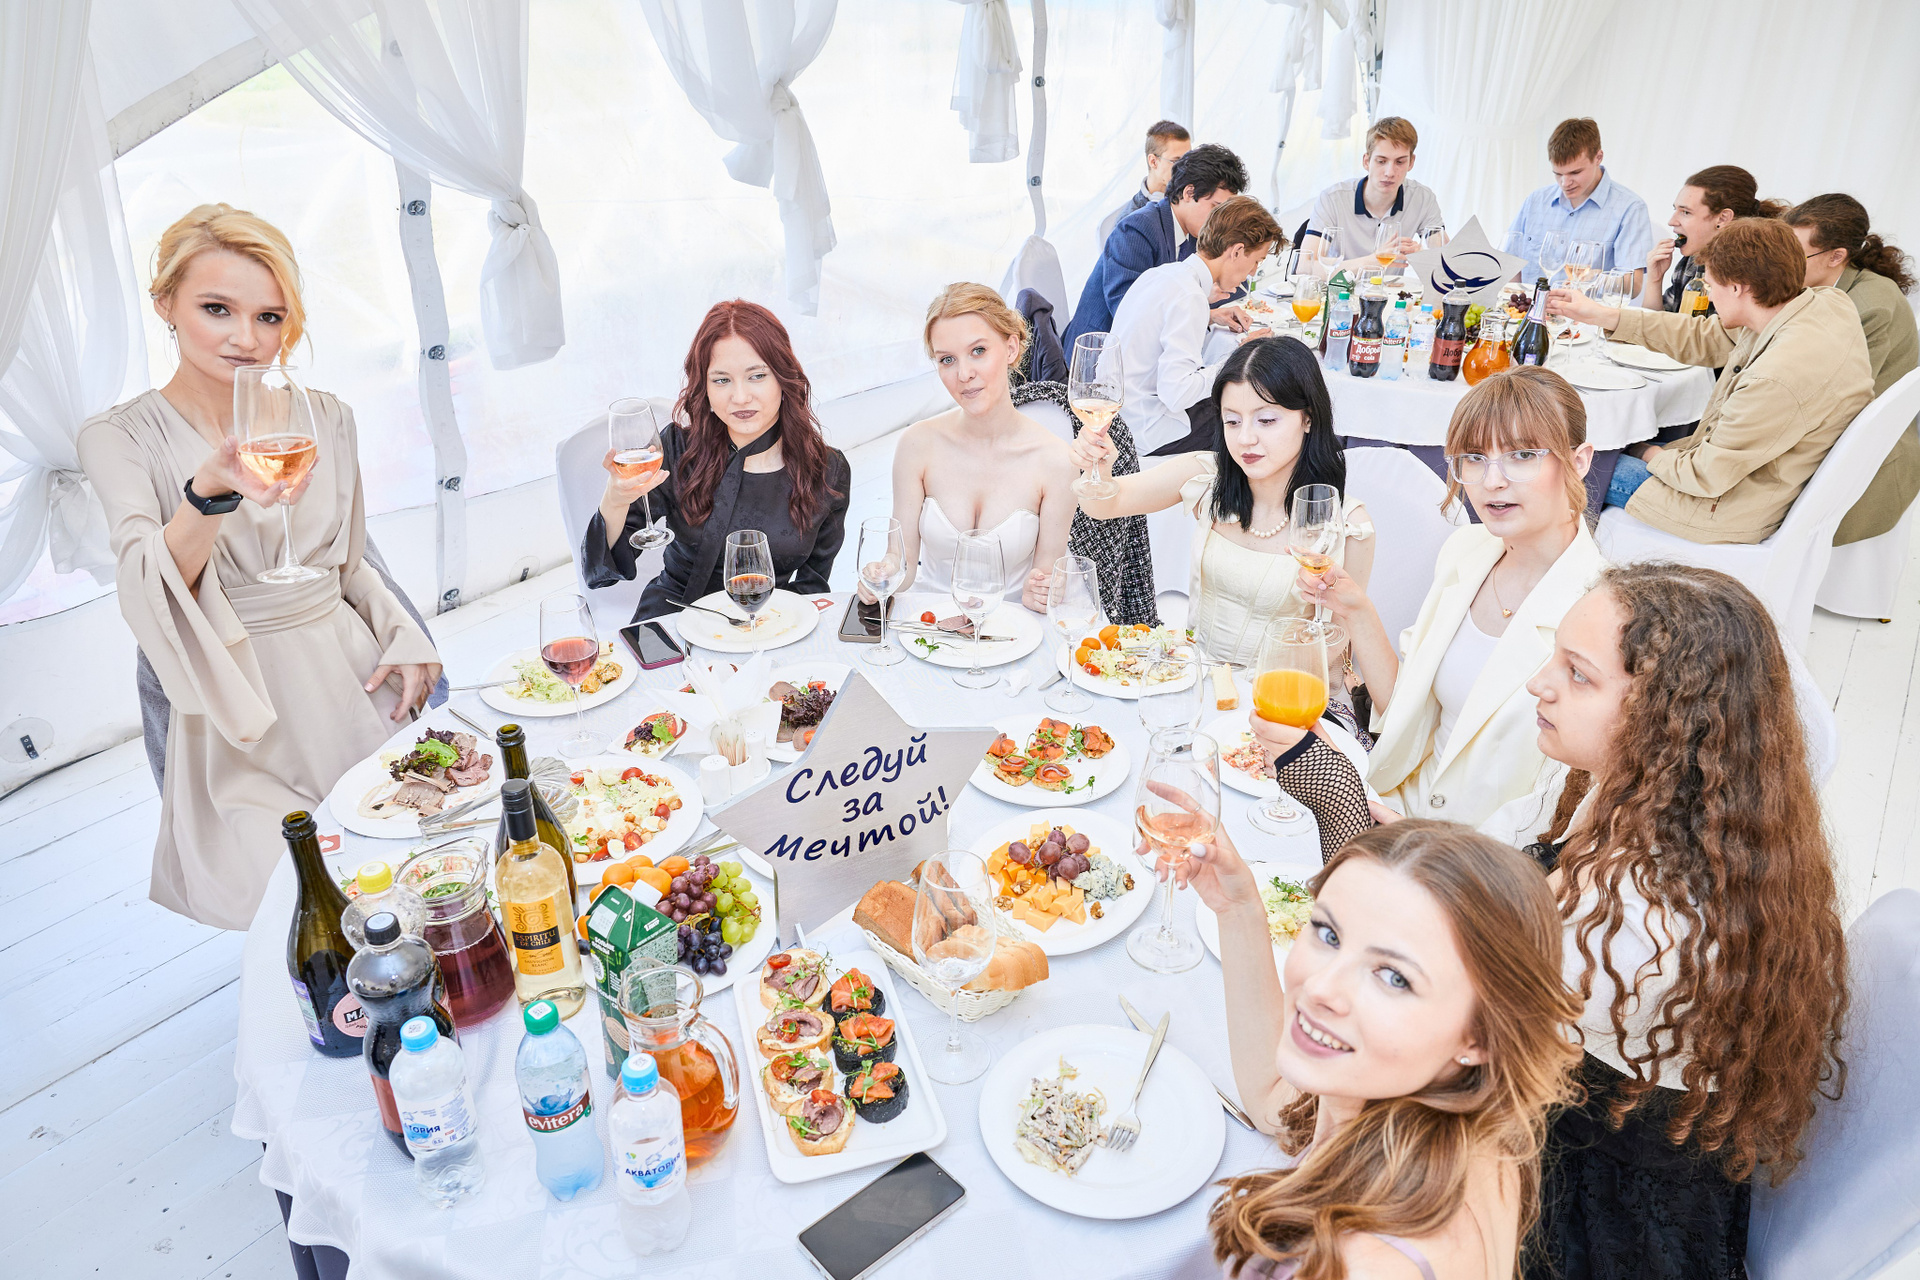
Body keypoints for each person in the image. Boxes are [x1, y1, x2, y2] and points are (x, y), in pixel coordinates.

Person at [76, 204, 443, 931]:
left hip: (350, 683)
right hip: (235, 708)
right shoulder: (117, 437)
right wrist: (206, 493)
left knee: (410, 882)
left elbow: (348, 561)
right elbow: (148, 588)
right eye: (217, 309)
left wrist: (405, 631)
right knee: (297, 908)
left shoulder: (327, 417)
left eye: (270, 318)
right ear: (165, 304)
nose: (246, 339)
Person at [1522, 564, 1850, 1278]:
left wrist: (1339, 811)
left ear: (1665, 720)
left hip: (1584, 1229)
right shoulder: (1671, 807)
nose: (1537, 684)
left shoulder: (1641, 931)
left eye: (1578, 675)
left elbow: (1456, 1025)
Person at [1174, 820, 1581, 1280]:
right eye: (1328, 934)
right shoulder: (1464, 1125)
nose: (1321, 987)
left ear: (1481, 1037)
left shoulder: (1362, 1265)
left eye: (1394, 977)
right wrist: (1238, 909)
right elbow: (1275, 1101)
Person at [1287, 368, 1602, 856]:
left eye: (1522, 455)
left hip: (1480, 861)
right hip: (1390, 807)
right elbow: (1407, 715)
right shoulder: (1467, 551)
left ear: (1578, 461)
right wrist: (1356, 610)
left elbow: (1565, 802)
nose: (1492, 481)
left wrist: (1429, 847)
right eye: (1474, 458)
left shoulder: (1600, 611)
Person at [1552, 218, 1874, 544]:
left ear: (1737, 287)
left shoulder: (1775, 378)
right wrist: (1605, 316)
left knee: (1569, 465)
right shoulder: (1825, 304)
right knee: (1604, 447)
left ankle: (1565, 562)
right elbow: (1705, 336)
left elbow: (1704, 475)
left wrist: (1646, 451)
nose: (1709, 296)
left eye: (1710, 286)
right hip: (1751, 473)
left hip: (1725, 505)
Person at [1068, 336, 1373, 681]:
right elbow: (1105, 506)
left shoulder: (1347, 525)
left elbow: (1338, 641)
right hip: (1193, 682)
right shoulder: (1207, 477)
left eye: (1266, 420)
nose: (1245, 439)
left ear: (1308, 418)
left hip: (1282, 694)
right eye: (1232, 421)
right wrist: (1096, 467)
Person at [582, 300, 851, 623]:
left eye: (757, 376)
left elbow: (812, 587)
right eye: (722, 380)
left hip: (768, 621)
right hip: (672, 617)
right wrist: (615, 499)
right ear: (705, 387)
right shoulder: (678, 448)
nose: (740, 397)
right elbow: (601, 572)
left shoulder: (827, 470)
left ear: (784, 378)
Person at [882, 284, 1077, 610]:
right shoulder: (916, 445)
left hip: (1011, 630)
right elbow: (900, 563)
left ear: (1011, 348)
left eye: (978, 351)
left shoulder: (1056, 461)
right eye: (947, 359)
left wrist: (1043, 591)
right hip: (929, 627)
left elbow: (1046, 575)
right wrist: (883, 574)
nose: (964, 374)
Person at [1783, 193, 1920, 546]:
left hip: (1863, 457)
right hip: (1836, 431)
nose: (1783, 261)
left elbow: (1830, 400)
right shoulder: (1824, 285)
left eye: (1795, 253)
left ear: (1836, 256)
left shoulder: (1869, 306)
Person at [1106, 195, 1284, 457]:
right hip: (1146, 430)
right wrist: (1239, 357)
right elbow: (1177, 394)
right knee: (1253, 412)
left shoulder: (1162, 274)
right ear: (1236, 251)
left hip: (1116, 414)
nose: (1253, 272)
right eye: (1257, 260)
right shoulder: (1190, 296)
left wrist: (1210, 316)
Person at [1063, 143, 1251, 353]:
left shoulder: (1192, 234)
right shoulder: (1136, 230)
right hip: (1099, 355)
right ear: (1189, 193)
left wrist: (1209, 314)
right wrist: (1201, 304)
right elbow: (1130, 313)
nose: (1220, 220)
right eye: (1216, 208)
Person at [1502, 118, 1653, 286]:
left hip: (1586, 303)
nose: (1565, 183)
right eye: (1558, 174)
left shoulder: (1630, 208)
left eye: (1575, 173)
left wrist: (1588, 284)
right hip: (1528, 302)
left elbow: (1633, 284)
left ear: (1598, 157)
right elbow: (1509, 263)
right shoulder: (1535, 201)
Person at [1302, 117, 1447, 272]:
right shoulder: (1332, 199)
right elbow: (1304, 266)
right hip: (1340, 287)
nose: (1390, 172)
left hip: (1391, 288)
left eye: (1399, 162)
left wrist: (1422, 255)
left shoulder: (1423, 199)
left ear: (1411, 162)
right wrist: (1373, 261)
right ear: (1366, 161)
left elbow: (1449, 262)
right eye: (1381, 161)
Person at [1639, 165, 1787, 312]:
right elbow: (1655, 323)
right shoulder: (1691, 262)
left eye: (1685, 212)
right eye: (1675, 209)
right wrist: (1655, 279)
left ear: (1722, 219)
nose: (1672, 221)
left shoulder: (1749, 273)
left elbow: (1715, 328)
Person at [1097, 119, 1192, 244]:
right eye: (1177, 161)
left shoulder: (1192, 201)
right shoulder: (1130, 222)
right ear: (1153, 161)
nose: (1185, 168)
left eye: (1189, 160)